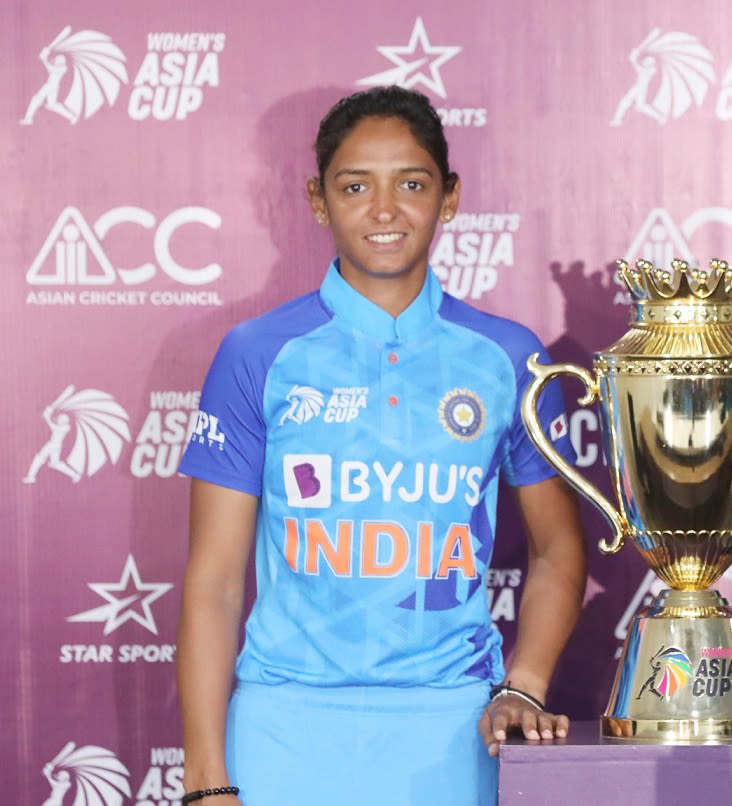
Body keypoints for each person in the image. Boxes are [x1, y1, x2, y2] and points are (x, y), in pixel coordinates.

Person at [176, 85, 588, 806]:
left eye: (413, 184)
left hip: (453, 732)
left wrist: (523, 685)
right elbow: (213, 582)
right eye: (357, 185)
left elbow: (558, 550)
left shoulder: (508, 356)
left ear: (450, 197)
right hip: (282, 727)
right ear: (317, 200)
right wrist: (208, 781)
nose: (386, 209)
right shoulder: (257, 353)